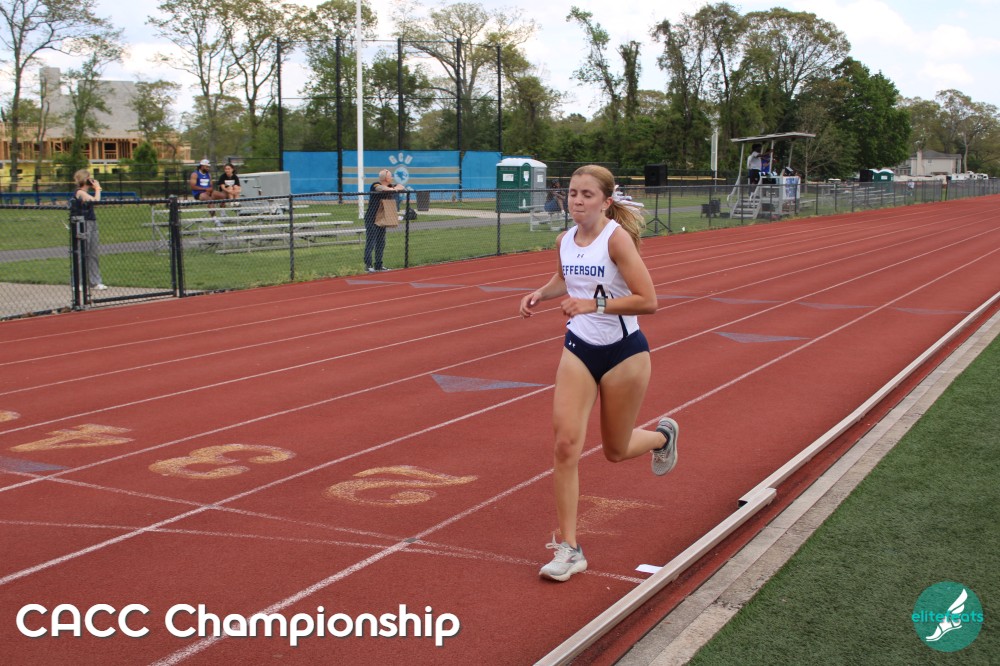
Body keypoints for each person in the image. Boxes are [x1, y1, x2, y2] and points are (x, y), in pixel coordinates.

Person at [519, 164, 680, 582]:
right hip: (579, 348)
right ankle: (569, 548)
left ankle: (662, 437)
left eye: (587, 194)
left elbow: (649, 300)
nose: (577, 200)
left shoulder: (617, 240)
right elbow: (565, 278)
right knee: (565, 445)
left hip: (624, 353)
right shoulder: (564, 240)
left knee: (616, 449)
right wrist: (541, 293)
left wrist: (595, 304)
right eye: (573, 193)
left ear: (605, 201)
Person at [364, 168, 405, 272]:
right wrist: (393, 189)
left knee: (381, 242)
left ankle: (379, 265)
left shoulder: (390, 186)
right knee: (371, 242)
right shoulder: (375, 185)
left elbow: (401, 186)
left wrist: (393, 189)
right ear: (386, 178)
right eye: (390, 176)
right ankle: (368, 265)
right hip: (372, 218)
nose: (392, 178)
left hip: (382, 218)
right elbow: (381, 188)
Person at [71, 169, 106, 290]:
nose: (91, 180)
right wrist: (98, 189)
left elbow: (95, 201)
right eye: (89, 178)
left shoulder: (86, 193)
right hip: (82, 224)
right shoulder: (80, 192)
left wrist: (97, 189)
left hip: (91, 222)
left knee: (93, 254)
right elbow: (95, 201)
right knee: (81, 253)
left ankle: (95, 281)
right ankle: (77, 283)